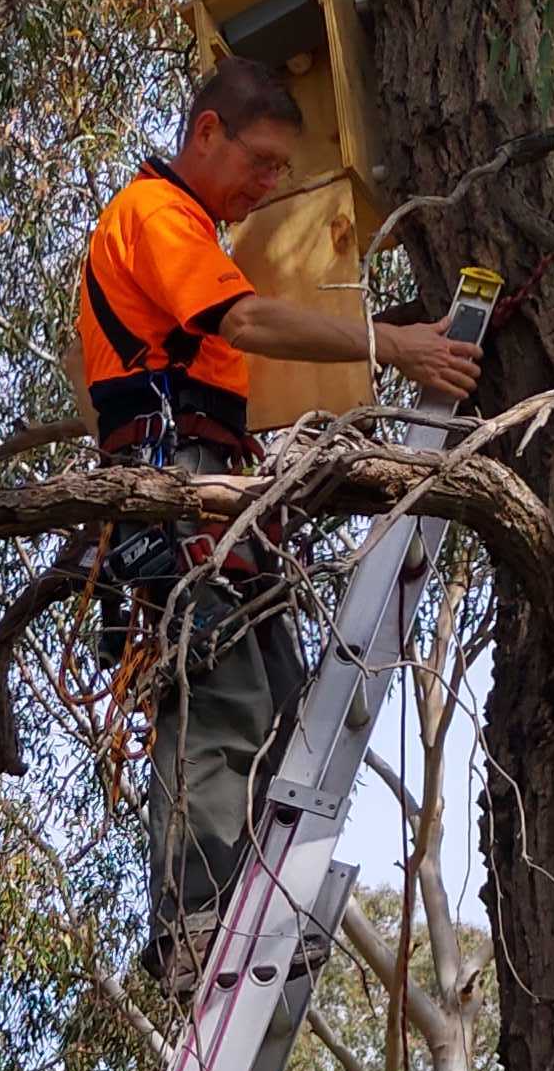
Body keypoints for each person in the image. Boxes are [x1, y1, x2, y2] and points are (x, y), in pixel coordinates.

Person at [77, 57, 479, 985]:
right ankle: (193, 919)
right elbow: (247, 324)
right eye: (260, 163)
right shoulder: (157, 215)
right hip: (174, 481)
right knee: (217, 691)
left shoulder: (198, 230)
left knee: (284, 695)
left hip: (217, 484)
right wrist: (391, 344)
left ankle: (253, 903)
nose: (268, 187)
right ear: (206, 132)